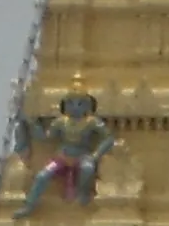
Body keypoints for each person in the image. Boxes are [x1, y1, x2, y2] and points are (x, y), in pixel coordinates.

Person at [11, 79, 116, 216]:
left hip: (82, 155)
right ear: (65, 105)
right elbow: (45, 137)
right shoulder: (61, 122)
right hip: (62, 156)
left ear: (87, 106)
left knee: (87, 169)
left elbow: (108, 138)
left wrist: (96, 155)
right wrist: (31, 124)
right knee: (42, 176)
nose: (75, 107)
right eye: (71, 103)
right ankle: (29, 205)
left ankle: (83, 193)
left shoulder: (92, 122)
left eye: (80, 103)